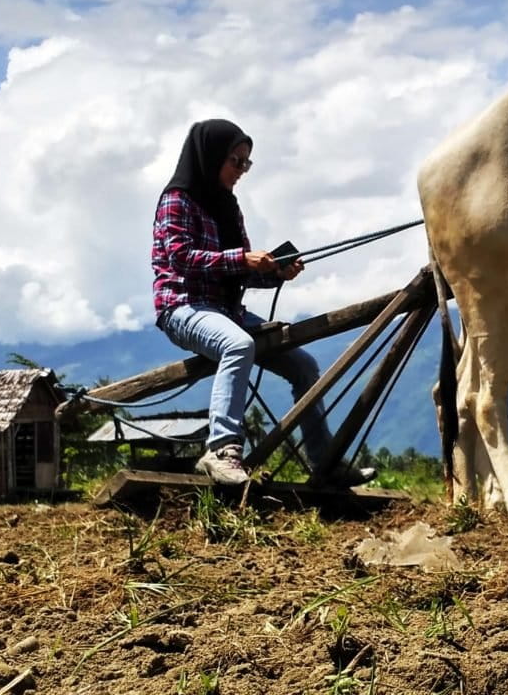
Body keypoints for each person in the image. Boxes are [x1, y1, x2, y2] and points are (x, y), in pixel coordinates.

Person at [151, 118, 375, 486]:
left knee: (303, 364)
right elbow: (179, 257)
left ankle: (326, 463)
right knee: (237, 345)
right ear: (210, 157)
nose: (241, 170)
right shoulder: (177, 199)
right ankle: (221, 450)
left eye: (246, 164)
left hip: (228, 310)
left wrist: (274, 272)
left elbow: (239, 272)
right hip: (183, 307)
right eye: (235, 161)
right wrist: (242, 259)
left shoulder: (228, 206)